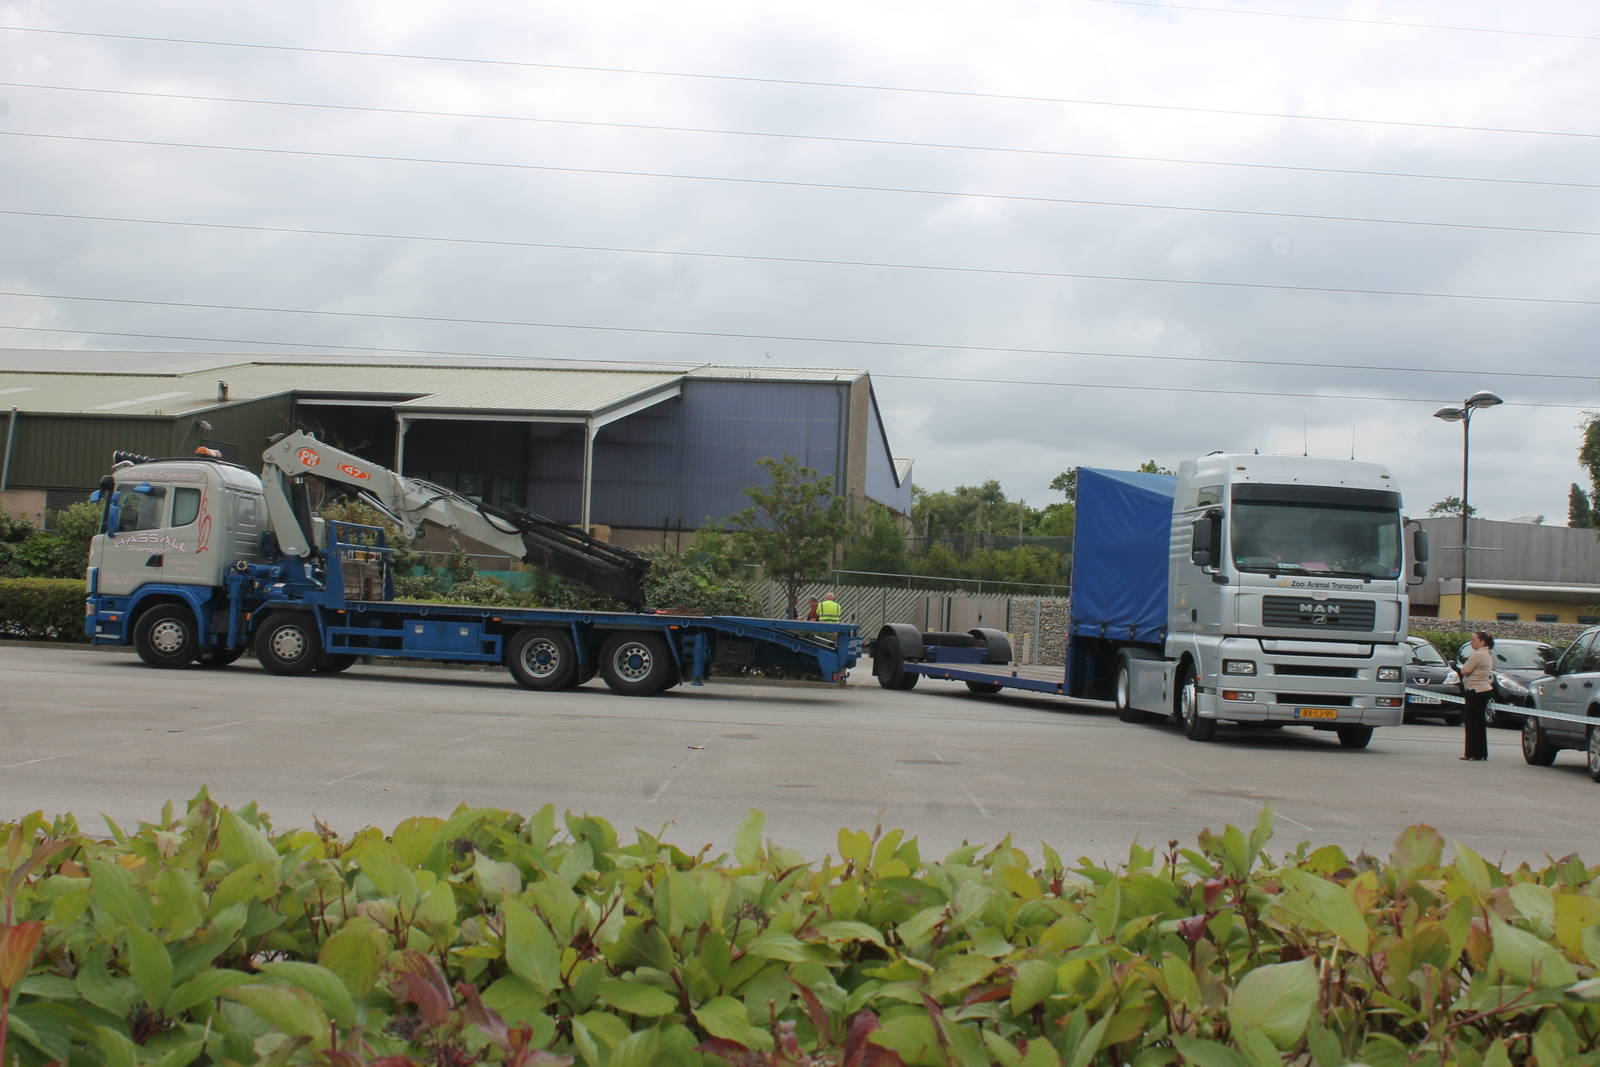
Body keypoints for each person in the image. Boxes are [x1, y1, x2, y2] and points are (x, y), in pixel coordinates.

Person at [1459, 631, 1495, 761]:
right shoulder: (1487, 653)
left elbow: (1465, 670)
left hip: (1475, 690)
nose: (1471, 642)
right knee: (1479, 723)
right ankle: (1480, 753)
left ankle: (1471, 753)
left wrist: (1462, 670)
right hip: (1484, 690)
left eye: (1474, 640)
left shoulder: (1478, 654)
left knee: (1471, 722)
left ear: (1482, 642)